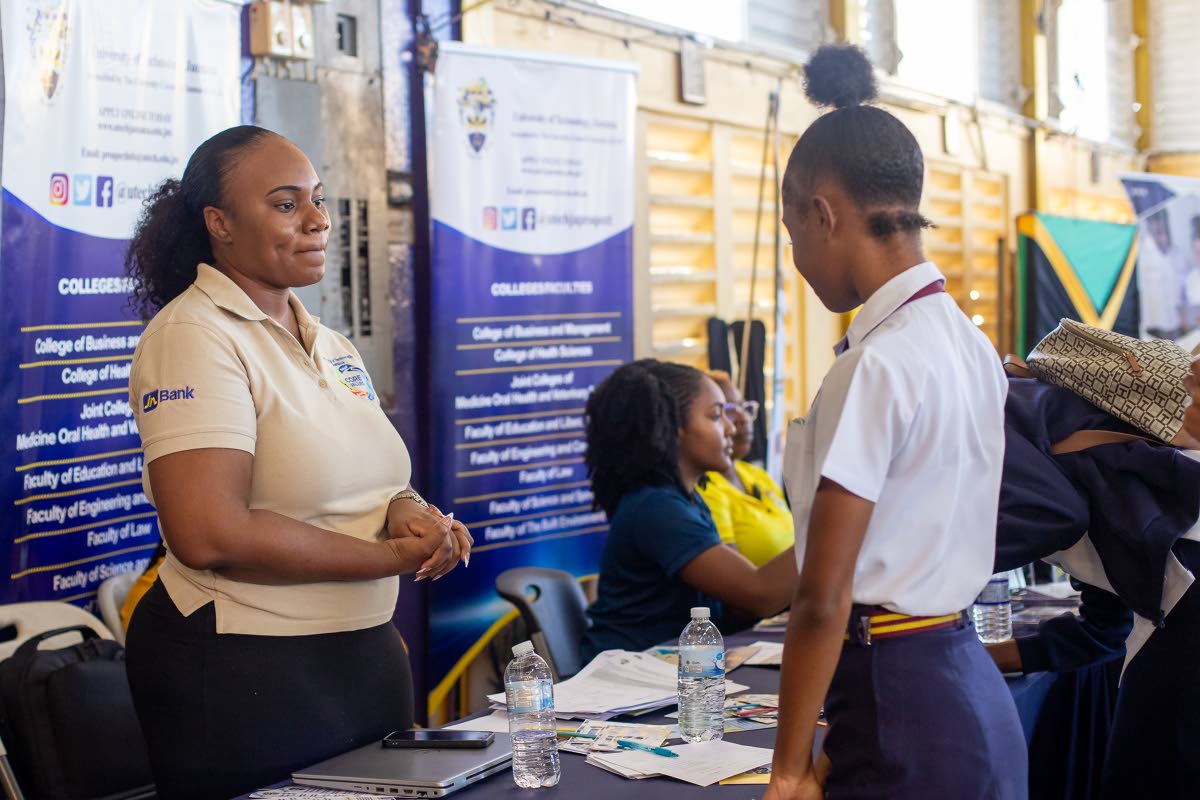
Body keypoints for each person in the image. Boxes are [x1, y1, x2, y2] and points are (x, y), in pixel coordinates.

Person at [122, 125, 473, 800]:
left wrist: (412, 513)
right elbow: (209, 533)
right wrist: (392, 559)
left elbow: (373, 476)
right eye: (286, 204)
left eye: (317, 199)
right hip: (243, 667)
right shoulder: (194, 335)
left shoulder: (329, 342)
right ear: (218, 223)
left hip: (358, 657)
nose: (318, 220)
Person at [764, 45, 1025, 800]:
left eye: (793, 235)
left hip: (897, 699)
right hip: (966, 681)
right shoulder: (970, 345)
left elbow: (822, 595)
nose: (797, 259)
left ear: (822, 214)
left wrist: (787, 769)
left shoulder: (875, 366)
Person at [579, 359, 797, 662]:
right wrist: (835, 523)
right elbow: (759, 594)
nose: (731, 428)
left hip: (675, 667)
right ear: (674, 428)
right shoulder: (657, 508)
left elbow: (739, 603)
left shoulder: (687, 500)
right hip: (631, 679)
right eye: (716, 416)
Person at [697, 370, 794, 566]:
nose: (743, 419)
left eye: (744, 407)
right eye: (729, 410)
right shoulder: (706, 488)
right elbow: (735, 579)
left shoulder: (756, 474)